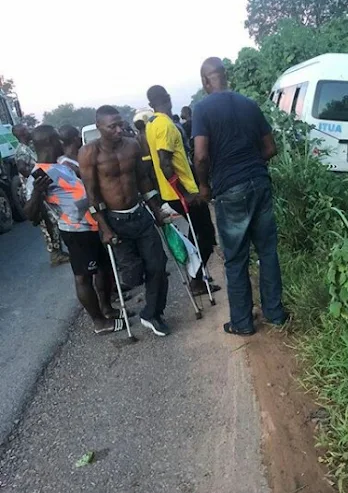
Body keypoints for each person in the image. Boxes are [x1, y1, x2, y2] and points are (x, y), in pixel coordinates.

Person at [193, 57, 287, 335]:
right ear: (226, 76)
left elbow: (200, 155)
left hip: (229, 192)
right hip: (259, 183)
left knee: (236, 259)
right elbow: (271, 148)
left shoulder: (202, 109)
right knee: (267, 251)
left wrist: (204, 186)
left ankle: (243, 323)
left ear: (205, 81)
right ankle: (275, 314)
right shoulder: (249, 104)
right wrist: (250, 165)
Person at [79, 105, 170, 337]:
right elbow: (92, 194)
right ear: (100, 127)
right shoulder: (90, 153)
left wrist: (156, 210)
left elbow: (143, 180)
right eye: (113, 126)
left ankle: (152, 313)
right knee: (133, 275)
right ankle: (136, 299)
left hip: (140, 215)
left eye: (121, 124)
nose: (120, 130)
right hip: (115, 220)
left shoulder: (132, 145)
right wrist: (104, 227)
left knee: (158, 265)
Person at [23, 126, 123, 334]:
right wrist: (37, 195)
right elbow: (30, 215)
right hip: (76, 230)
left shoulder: (60, 165)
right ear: (50, 142)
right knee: (83, 276)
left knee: (103, 269)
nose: (62, 143)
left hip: (92, 226)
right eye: (58, 140)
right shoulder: (38, 174)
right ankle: (98, 322)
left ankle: (107, 308)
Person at [145, 85, 218, 296]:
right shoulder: (165, 125)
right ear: (168, 98)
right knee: (206, 237)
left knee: (197, 234)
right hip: (184, 193)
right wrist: (185, 193)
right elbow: (164, 162)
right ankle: (196, 280)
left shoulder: (152, 123)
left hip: (173, 192)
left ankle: (197, 275)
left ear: (151, 104)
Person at [13, 123, 69, 266]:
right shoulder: (21, 150)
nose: (28, 130)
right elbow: (21, 168)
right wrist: (37, 175)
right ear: (21, 134)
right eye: (25, 130)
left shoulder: (29, 148)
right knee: (46, 222)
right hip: (36, 188)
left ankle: (58, 251)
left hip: (41, 185)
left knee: (52, 220)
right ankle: (55, 254)